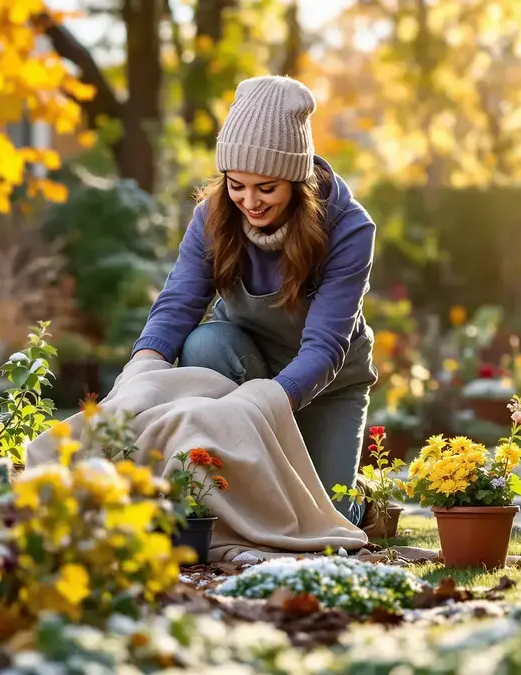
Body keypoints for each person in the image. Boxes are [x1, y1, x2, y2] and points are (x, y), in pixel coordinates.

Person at [130, 74, 381, 532]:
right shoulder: (212, 217)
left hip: (327, 383)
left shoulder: (348, 229)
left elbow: (325, 347)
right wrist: (140, 374)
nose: (249, 201)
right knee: (204, 343)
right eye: (236, 184)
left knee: (323, 523)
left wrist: (261, 403)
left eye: (266, 188)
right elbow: (179, 302)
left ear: (296, 180)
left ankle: (363, 499)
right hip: (242, 362)